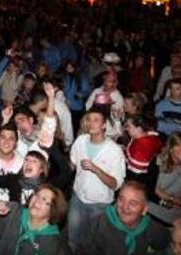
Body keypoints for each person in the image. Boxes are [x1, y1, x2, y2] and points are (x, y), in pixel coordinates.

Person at [66, 105, 125, 254]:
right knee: (72, 238)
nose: (91, 123)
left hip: (100, 205)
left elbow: (115, 184)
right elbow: (71, 165)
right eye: (89, 120)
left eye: (96, 120)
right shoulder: (80, 141)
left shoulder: (114, 150)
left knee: (93, 244)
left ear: (104, 125)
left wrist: (96, 169)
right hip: (77, 199)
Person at [88, 181, 170, 255]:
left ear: (144, 210)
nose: (124, 207)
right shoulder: (100, 224)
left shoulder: (154, 230)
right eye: (121, 199)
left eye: (132, 203)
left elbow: (164, 248)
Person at [0, 184, 70, 255]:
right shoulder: (14, 211)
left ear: (53, 209)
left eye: (44, 199)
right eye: (36, 195)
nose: (37, 200)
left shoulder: (53, 245)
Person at [146, 132, 181, 225]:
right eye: (178, 145)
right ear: (170, 148)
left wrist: (170, 198)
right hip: (154, 208)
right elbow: (149, 192)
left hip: (177, 213)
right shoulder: (157, 163)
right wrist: (167, 203)